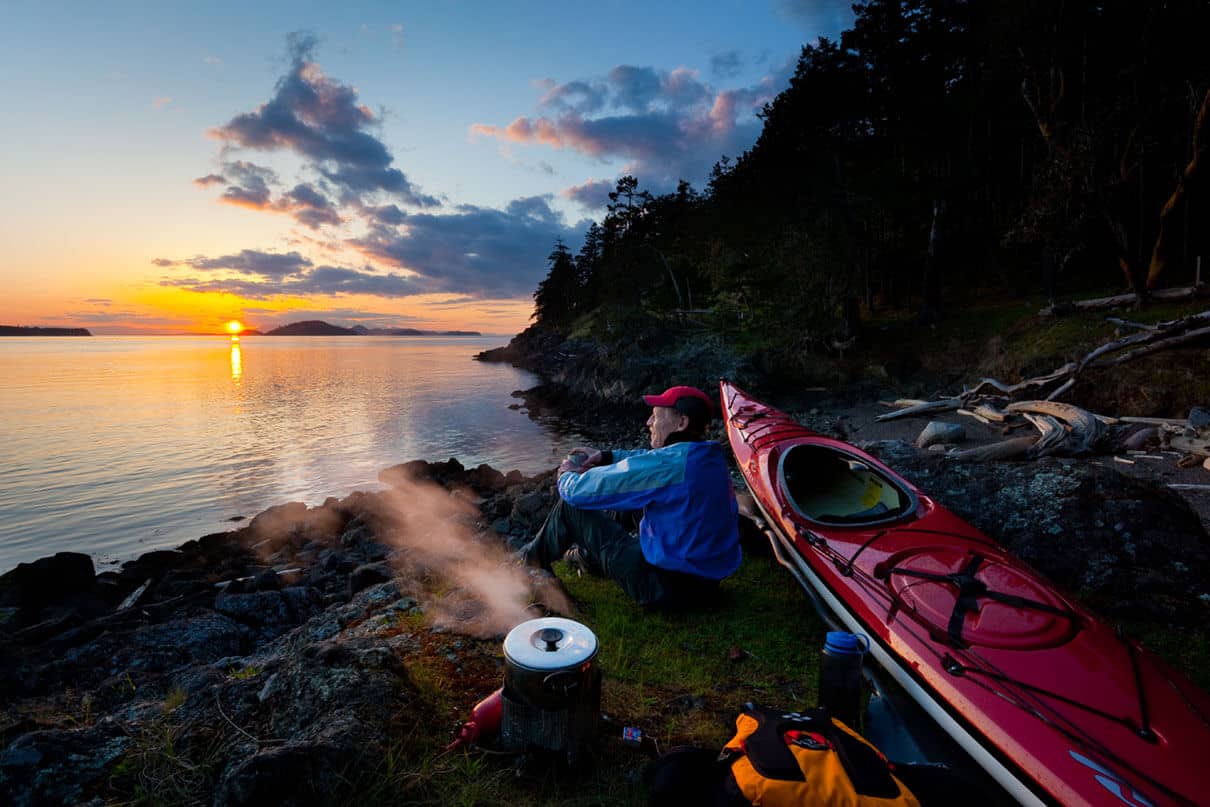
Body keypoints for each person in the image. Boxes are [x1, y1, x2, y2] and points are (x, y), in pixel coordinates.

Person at [517, 385, 742, 609]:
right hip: (707, 583)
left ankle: (531, 564)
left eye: (655, 417)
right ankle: (589, 558)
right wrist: (606, 457)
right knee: (630, 501)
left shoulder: (670, 465)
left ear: (681, 423)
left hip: (665, 588)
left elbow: (576, 492)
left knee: (570, 508)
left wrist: (566, 475)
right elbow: (648, 460)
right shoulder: (709, 456)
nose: (648, 423)